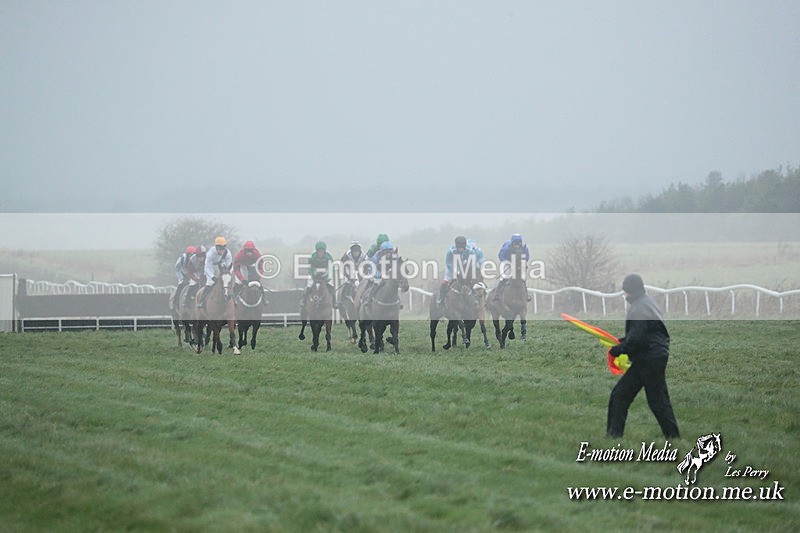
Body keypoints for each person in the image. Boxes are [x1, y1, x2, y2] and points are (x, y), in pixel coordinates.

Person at [607, 274, 680, 439]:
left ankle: (613, 436)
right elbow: (643, 334)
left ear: (631, 291)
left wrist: (616, 350)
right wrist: (621, 342)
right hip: (657, 355)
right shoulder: (647, 302)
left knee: (620, 396)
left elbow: (636, 341)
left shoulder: (638, 308)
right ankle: (673, 436)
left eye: (625, 290)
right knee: (658, 401)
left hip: (647, 358)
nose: (624, 294)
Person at [437, 236, 477, 307]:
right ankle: (441, 297)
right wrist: (456, 271)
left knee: (473, 280)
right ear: (456, 246)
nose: (461, 249)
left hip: (465, 266)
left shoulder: (471, 251)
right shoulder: (450, 251)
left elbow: (473, 262)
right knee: (446, 280)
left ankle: (475, 297)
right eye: (459, 248)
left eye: (462, 248)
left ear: (465, 246)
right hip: (453, 266)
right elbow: (449, 263)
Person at [197, 237, 233, 308]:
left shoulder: (228, 254)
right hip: (211, 267)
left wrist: (227, 275)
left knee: (227, 282)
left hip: (222, 266)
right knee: (210, 282)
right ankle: (202, 301)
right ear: (216, 247)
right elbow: (207, 268)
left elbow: (229, 266)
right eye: (220, 249)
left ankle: (234, 301)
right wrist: (213, 277)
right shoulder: (210, 254)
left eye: (223, 249)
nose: (221, 251)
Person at [300, 241, 336, 308]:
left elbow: (331, 269)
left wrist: (327, 278)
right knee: (309, 285)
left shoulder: (329, 257)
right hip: (314, 272)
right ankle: (303, 301)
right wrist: (313, 275)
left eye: (322, 250)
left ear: (324, 250)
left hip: (325, 272)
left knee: (331, 287)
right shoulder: (312, 257)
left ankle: (334, 303)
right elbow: (310, 268)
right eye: (319, 251)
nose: (320, 252)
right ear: (317, 251)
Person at [495, 233, 530, 299]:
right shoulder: (506, 248)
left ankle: (526, 295)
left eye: (519, 243)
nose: (517, 245)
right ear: (512, 243)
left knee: (523, 278)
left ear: (521, 243)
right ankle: (497, 294)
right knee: (504, 277)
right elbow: (501, 256)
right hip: (507, 262)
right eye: (515, 243)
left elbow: (527, 257)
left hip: (518, 263)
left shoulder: (524, 248)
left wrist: (523, 263)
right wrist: (508, 262)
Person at [170, 246, 195, 310]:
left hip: (192, 273)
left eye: (193, 255)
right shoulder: (182, 258)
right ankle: (175, 303)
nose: (191, 257)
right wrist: (181, 278)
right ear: (187, 254)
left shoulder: (196, 258)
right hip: (182, 273)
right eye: (190, 255)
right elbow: (177, 269)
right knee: (181, 285)